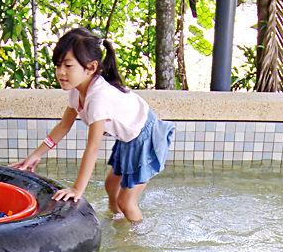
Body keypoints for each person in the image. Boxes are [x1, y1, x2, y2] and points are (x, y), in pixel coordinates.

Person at [12, 27, 175, 223]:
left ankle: (136, 242)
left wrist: (77, 190)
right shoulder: (77, 88)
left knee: (126, 201)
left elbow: (93, 148)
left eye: (68, 66)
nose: (60, 72)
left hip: (144, 137)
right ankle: (119, 224)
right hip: (129, 135)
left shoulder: (98, 97)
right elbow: (63, 127)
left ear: (90, 67)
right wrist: (35, 155)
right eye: (58, 65)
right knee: (110, 187)